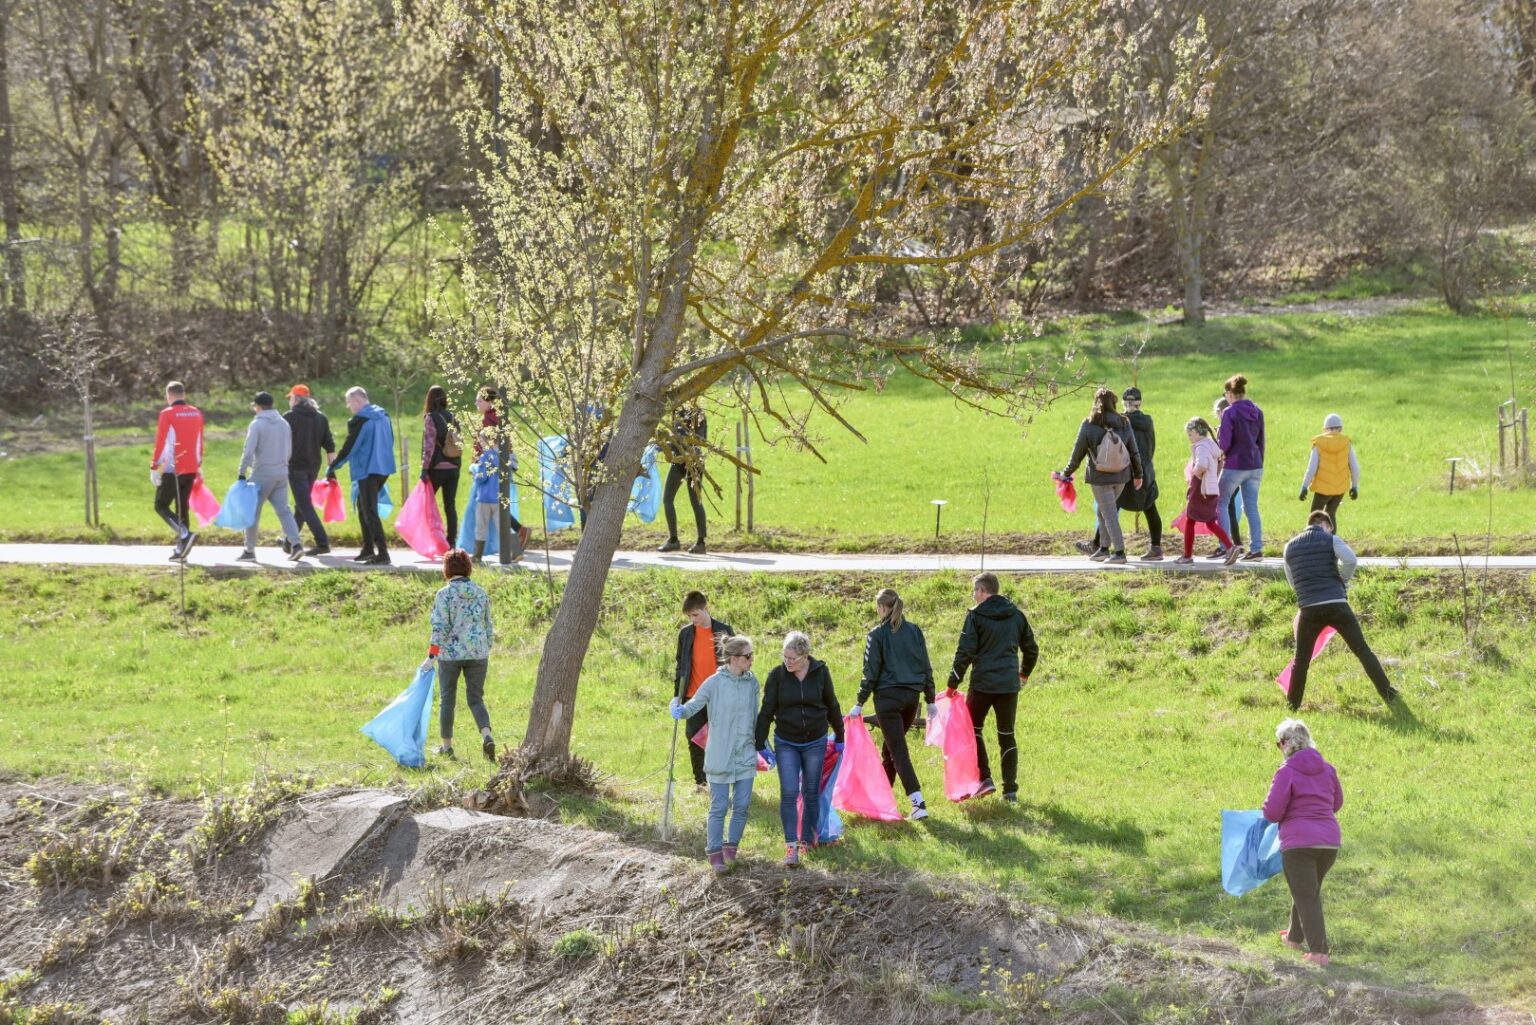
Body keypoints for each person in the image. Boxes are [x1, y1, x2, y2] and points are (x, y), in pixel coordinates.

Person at [1281, 510, 1399, 711]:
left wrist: (1307, 592)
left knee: (1301, 661)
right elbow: (1351, 560)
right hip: (1336, 604)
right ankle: (1388, 694)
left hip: (1308, 609)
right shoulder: (1331, 539)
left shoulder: (1289, 547)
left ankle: (1292, 705)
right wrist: (1341, 580)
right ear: (1325, 524)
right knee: (1363, 651)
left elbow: (1292, 580)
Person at [669, 634, 761, 874]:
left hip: (745, 754)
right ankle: (715, 854)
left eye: (752, 655)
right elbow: (693, 707)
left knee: (741, 806)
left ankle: (731, 851)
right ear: (733, 658)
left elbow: (756, 717)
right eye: (747, 656)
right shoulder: (713, 683)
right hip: (720, 754)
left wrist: (762, 746)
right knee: (719, 806)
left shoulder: (753, 683)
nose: (752, 660)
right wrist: (678, 708)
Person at [946, 573, 1038, 804]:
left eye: (974, 591)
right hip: (1009, 684)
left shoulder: (975, 616)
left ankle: (985, 778)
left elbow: (964, 652)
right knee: (1006, 735)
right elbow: (1032, 649)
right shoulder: (1016, 615)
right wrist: (1023, 674)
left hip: (983, 684)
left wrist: (952, 683)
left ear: (982, 591)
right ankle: (1010, 791)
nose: (973, 596)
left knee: (972, 729)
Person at [756, 631, 844, 866]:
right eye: (784, 657)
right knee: (789, 792)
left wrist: (840, 735)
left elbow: (832, 704)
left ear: (805, 656)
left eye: (792, 658)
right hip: (786, 742)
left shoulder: (821, 672)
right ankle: (791, 847)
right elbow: (766, 710)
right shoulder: (777, 676)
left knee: (811, 792)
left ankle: (807, 840)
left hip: (815, 741)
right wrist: (759, 742)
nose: (787, 662)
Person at [1261, 718, 1342, 967]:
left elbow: (1273, 812)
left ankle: (1319, 953)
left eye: (1279, 744)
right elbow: (1336, 803)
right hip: (1329, 843)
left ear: (1286, 744)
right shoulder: (1327, 768)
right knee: (1306, 890)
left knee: (1307, 895)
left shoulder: (1287, 771)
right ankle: (1294, 938)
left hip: (1299, 844)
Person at [851, 588, 937, 821]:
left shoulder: (876, 634)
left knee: (898, 751)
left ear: (881, 608)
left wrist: (859, 702)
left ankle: (918, 803)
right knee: (890, 750)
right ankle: (881, 801)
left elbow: (870, 671)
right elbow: (925, 666)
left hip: (888, 700)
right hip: (911, 698)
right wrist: (930, 699)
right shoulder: (915, 631)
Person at [423, 548, 497, 762]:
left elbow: (440, 627)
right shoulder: (481, 592)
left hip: (450, 655)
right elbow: (487, 625)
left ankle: (447, 747)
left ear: (446, 569)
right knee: (476, 699)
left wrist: (431, 656)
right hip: (478, 653)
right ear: (468, 568)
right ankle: (487, 735)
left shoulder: (444, 595)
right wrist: (485, 646)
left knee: (447, 700)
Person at [1059, 387, 1145, 565]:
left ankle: (1120, 552)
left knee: (1109, 514)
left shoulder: (1089, 424)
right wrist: (1138, 474)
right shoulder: (1124, 422)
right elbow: (1134, 451)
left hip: (1100, 478)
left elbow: (1077, 454)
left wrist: (1065, 473)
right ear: (1114, 403)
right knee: (1103, 511)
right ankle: (1104, 549)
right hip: (1122, 476)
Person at [1078, 387, 1162, 560]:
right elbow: (1151, 447)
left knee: (1109, 509)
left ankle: (1100, 545)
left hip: (1123, 471)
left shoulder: (1120, 422)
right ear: (1140, 403)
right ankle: (1156, 547)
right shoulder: (1148, 421)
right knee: (1149, 507)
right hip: (1144, 470)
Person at [327, 387, 396, 565]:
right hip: (384, 468)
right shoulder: (384, 416)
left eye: (349, 402)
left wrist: (334, 465)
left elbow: (351, 447)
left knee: (370, 511)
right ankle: (367, 549)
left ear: (357, 400)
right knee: (363, 506)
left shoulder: (361, 420)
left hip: (367, 470)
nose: (348, 406)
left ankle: (382, 553)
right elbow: (391, 440)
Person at [674, 592, 735, 790]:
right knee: (694, 738)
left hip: (720, 696)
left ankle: (722, 781)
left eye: (696, 614)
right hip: (693, 695)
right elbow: (680, 665)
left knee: (720, 740)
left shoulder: (724, 631)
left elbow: (736, 664)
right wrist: (677, 696)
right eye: (690, 616)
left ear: (706, 608)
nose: (693, 620)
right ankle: (700, 782)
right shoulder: (685, 634)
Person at [235, 391, 303, 563]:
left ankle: (249, 551)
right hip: (281, 473)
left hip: (261, 474)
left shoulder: (257, 425)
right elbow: (288, 451)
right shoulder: (284, 423)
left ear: (257, 407)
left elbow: (248, 451)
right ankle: (296, 545)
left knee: (252, 512)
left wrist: (242, 472)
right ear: (272, 405)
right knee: (284, 511)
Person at [1174, 417, 1240, 565]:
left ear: (1197, 432)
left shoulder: (1201, 447)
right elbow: (1217, 463)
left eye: (1190, 434)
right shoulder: (1211, 445)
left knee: (1190, 520)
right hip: (1211, 488)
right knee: (1210, 522)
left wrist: (1195, 474)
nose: (1189, 438)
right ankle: (1230, 547)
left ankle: (1187, 555)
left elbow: (1202, 465)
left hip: (1200, 488)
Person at [150, 381, 204, 562]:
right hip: (191, 467)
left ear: (169, 396)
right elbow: (200, 441)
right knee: (182, 508)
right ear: (184, 394)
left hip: (173, 467)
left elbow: (161, 441)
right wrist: (199, 465)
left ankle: (184, 534)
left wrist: (154, 466)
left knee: (160, 505)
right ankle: (182, 550)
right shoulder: (196, 412)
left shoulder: (168, 414)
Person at [475, 385, 530, 557]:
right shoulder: (499, 417)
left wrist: (475, 468)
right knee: (501, 520)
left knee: (482, 523)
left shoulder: (488, 422)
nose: (476, 403)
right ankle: (514, 548)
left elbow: (481, 476)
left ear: (490, 401)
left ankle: (478, 554)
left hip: (486, 495)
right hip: (499, 488)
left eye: (479, 400)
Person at [1217, 374, 1265, 561]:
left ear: (1230, 394)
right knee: (1251, 507)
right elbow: (1261, 440)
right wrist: (1259, 461)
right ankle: (1256, 549)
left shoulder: (1230, 413)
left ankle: (1225, 546)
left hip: (1235, 465)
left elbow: (1225, 442)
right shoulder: (1257, 411)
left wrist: (1220, 453)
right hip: (1255, 465)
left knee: (1221, 502)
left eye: (1225, 393)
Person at [283, 384, 335, 556]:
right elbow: (329, 446)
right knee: (301, 504)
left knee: (304, 504)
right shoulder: (321, 418)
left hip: (295, 466)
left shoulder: (289, 417)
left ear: (296, 399)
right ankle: (290, 541)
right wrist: (331, 469)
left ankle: (322, 542)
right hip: (313, 466)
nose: (289, 401)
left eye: (290, 397)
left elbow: (281, 443)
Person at [659, 404, 709, 555]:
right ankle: (675, 540)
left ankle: (699, 542)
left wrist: (675, 442)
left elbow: (699, 439)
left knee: (694, 501)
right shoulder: (680, 411)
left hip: (692, 461)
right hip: (680, 460)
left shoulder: (696, 413)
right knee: (668, 499)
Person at [1299, 413, 1359, 533]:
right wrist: (1355, 486)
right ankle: (1332, 543)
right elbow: (1355, 467)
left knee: (1314, 516)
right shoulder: (1346, 443)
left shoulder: (1319, 443)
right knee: (1330, 514)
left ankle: (1311, 541)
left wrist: (1304, 486)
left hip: (1323, 488)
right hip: (1340, 488)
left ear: (1324, 429)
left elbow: (1311, 468)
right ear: (1340, 429)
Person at [468, 432, 512, 564]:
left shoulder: (486, 456)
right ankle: (512, 552)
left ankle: (477, 556)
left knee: (481, 527)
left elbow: (482, 477)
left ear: (490, 441)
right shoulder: (504, 456)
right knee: (503, 527)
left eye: (482, 441)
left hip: (485, 498)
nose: (480, 444)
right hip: (499, 497)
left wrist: (475, 471)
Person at [1213, 396, 1243, 551]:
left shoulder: (1226, 428)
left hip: (1228, 471)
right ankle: (1236, 544)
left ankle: (1227, 546)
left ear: (1219, 412)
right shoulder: (1236, 426)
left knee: (1224, 507)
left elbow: (1222, 451)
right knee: (1229, 509)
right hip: (1239, 470)